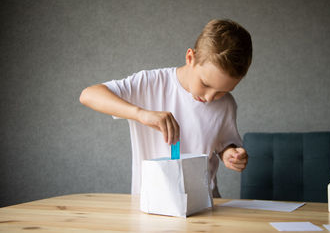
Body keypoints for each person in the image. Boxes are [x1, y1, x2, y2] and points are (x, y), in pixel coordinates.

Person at [80, 19, 252, 197]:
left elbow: (222, 144)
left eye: (223, 91)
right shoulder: (150, 83)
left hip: (205, 204)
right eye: (205, 84)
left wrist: (229, 155)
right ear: (190, 58)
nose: (210, 98)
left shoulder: (227, 105)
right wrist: (140, 114)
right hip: (151, 202)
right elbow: (88, 94)